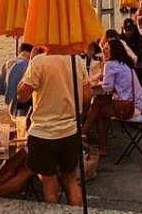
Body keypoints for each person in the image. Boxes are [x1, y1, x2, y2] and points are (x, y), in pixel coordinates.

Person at [17, 46, 91, 205]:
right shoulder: (77, 60)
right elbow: (86, 96)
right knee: (71, 179)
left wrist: (30, 64)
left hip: (44, 133)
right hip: (70, 131)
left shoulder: (39, 62)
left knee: (49, 185)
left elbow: (22, 96)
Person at [82, 38, 142, 155]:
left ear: (114, 50)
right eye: (103, 48)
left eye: (107, 49)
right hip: (138, 105)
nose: (104, 51)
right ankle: (100, 145)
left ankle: (85, 132)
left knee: (98, 106)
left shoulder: (110, 64)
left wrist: (93, 85)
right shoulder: (125, 63)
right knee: (99, 106)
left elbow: (107, 88)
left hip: (129, 108)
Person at [0, 43, 34, 117]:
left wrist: (10, 92)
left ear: (20, 50)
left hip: (11, 110)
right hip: (25, 112)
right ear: (32, 52)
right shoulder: (29, 66)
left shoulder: (7, 64)